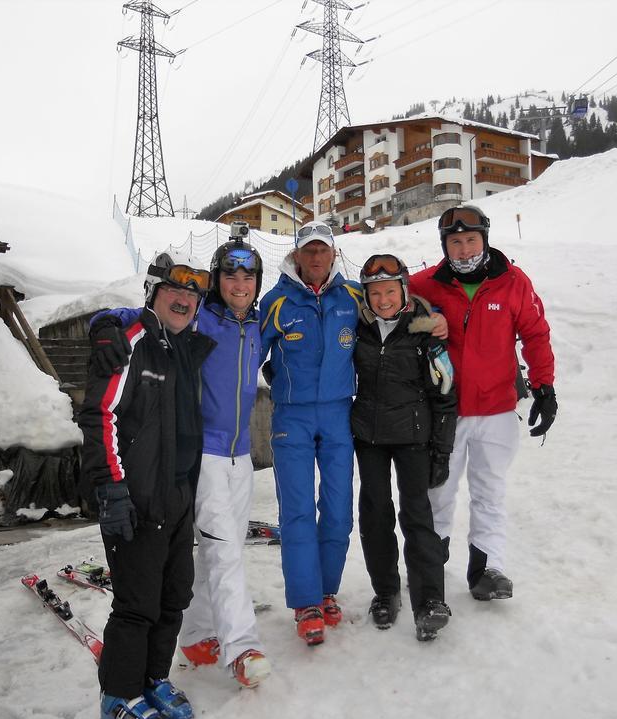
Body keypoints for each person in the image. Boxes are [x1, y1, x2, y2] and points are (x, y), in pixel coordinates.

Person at [94, 240, 272, 689]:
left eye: (248, 277)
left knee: (212, 551)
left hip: (241, 455)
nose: (239, 284)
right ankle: (243, 646)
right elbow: (139, 317)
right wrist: (104, 323)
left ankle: (195, 635)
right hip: (205, 455)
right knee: (225, 551)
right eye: (229, 276)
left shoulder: (259, 324)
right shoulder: (201, 318)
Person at [78, 252, 214, 719]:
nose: (183, 299)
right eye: (174, 290)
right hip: (134, 497)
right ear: (153, 294)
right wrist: (111, 488)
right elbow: (101, 415)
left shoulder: (185, 347)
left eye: (192, 293)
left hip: (177, 495)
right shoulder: (130, 339)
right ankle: (118, 696)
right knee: (136, 605)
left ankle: (152, 678)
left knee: (174, 596)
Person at [408, 205, 557, 602]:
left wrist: (544, 387)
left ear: (484, 240)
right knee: (438, 490)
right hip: (444, 411)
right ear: (445, 246)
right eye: (454, 242)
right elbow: (384, 308)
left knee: (489, 489)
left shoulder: (513, 282)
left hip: (496, 409)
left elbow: (536, 334)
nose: (463, 249)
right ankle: (431, 571)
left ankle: (487, 569)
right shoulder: (424, 285)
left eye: (470, 240)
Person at [259, 221, 362, 646]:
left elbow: (398, 311)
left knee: (338, 508)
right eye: (308, 251)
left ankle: (327, 591)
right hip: (292, 418)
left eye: (323, 250)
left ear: (334, 254)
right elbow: (247, 350)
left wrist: (432, 326)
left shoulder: (354, 296)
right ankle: (306, 603)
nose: (316, 258)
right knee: (298, 511)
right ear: (296, 256)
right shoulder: (277, 300)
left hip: (339, 414)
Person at [352, 254, 458, 641]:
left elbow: (446, 391)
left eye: (390, 291)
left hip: (414, 436)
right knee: (375, 514)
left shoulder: (425, 329)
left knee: (418, 516)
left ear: (404, 291)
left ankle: (430, 600)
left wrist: (442, 450)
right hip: (369, 436)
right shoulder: (357, 328)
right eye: (375, 292)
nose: (383, 300)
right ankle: (386, 591)